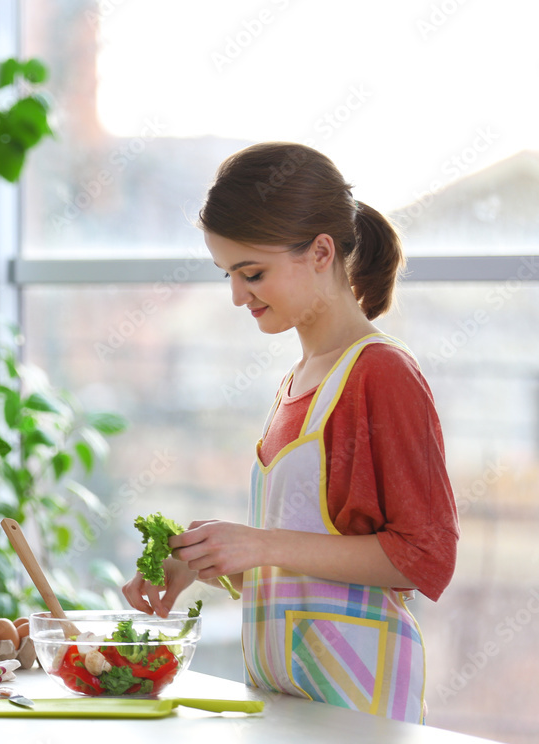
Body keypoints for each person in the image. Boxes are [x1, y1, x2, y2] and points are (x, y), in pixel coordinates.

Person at [122, 142, 459, 724]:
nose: (237, 295)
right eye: (228, 274)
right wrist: (210, 558)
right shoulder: (297, 381)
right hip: (286, 700)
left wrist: (260, 544)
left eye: (253, 273)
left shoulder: (382, 374)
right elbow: (314, 550)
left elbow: (426, 557)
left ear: (321, 252)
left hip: (359, 710)